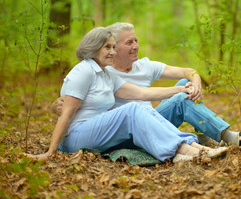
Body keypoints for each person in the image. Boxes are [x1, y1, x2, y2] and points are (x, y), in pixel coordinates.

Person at [26, 27, 228, 163]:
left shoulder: (106, 75)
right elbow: (66, 114)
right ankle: (186, 151)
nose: (112, 52)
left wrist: (180, 89)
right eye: (107, 47)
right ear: (93, 48)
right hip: (74, 137)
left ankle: (191, 145)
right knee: (131, 110)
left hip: (96, 133)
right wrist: (51, 151)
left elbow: (141, 93)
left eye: (114, 47)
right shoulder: (83, 71)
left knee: (137, 106)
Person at [52, 22, 241, 147]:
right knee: (182, 94)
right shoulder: (104, 71)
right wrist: (57, 106)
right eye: (129, 43)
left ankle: (207, 133)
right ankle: (226, 137)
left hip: (154, 118)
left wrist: (196, 81)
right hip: (127, 128)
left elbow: (186, 72)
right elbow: (77, 99)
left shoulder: (144, 66)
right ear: (114, 48)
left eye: (136, 41)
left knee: (185, 83)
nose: (136, 46)